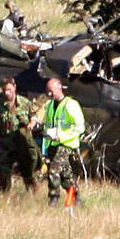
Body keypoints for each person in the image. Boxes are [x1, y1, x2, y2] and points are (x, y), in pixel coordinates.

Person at [40, 77, 85, 206]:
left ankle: (53, 198)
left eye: (51, 91)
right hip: (52, 143)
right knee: (66, 174)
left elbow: (80, 127)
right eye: (47, 91)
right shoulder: (49, 105)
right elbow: (47, 124)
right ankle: (75, 197)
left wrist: (62, 136)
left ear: (59, 88)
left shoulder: (70, 104)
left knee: (54, 170)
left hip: (66, 143)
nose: (49, 94)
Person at [0, 78, 39, 196]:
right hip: (6, 144)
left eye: (9, 90)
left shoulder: (25, 103)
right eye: (4, 90)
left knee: (28, 171)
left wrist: (32, 123)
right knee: (3, 172)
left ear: (14, 88)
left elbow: (34, 116)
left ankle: (33, 195)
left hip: (23, 143)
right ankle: (3, 197)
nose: (7, 93)